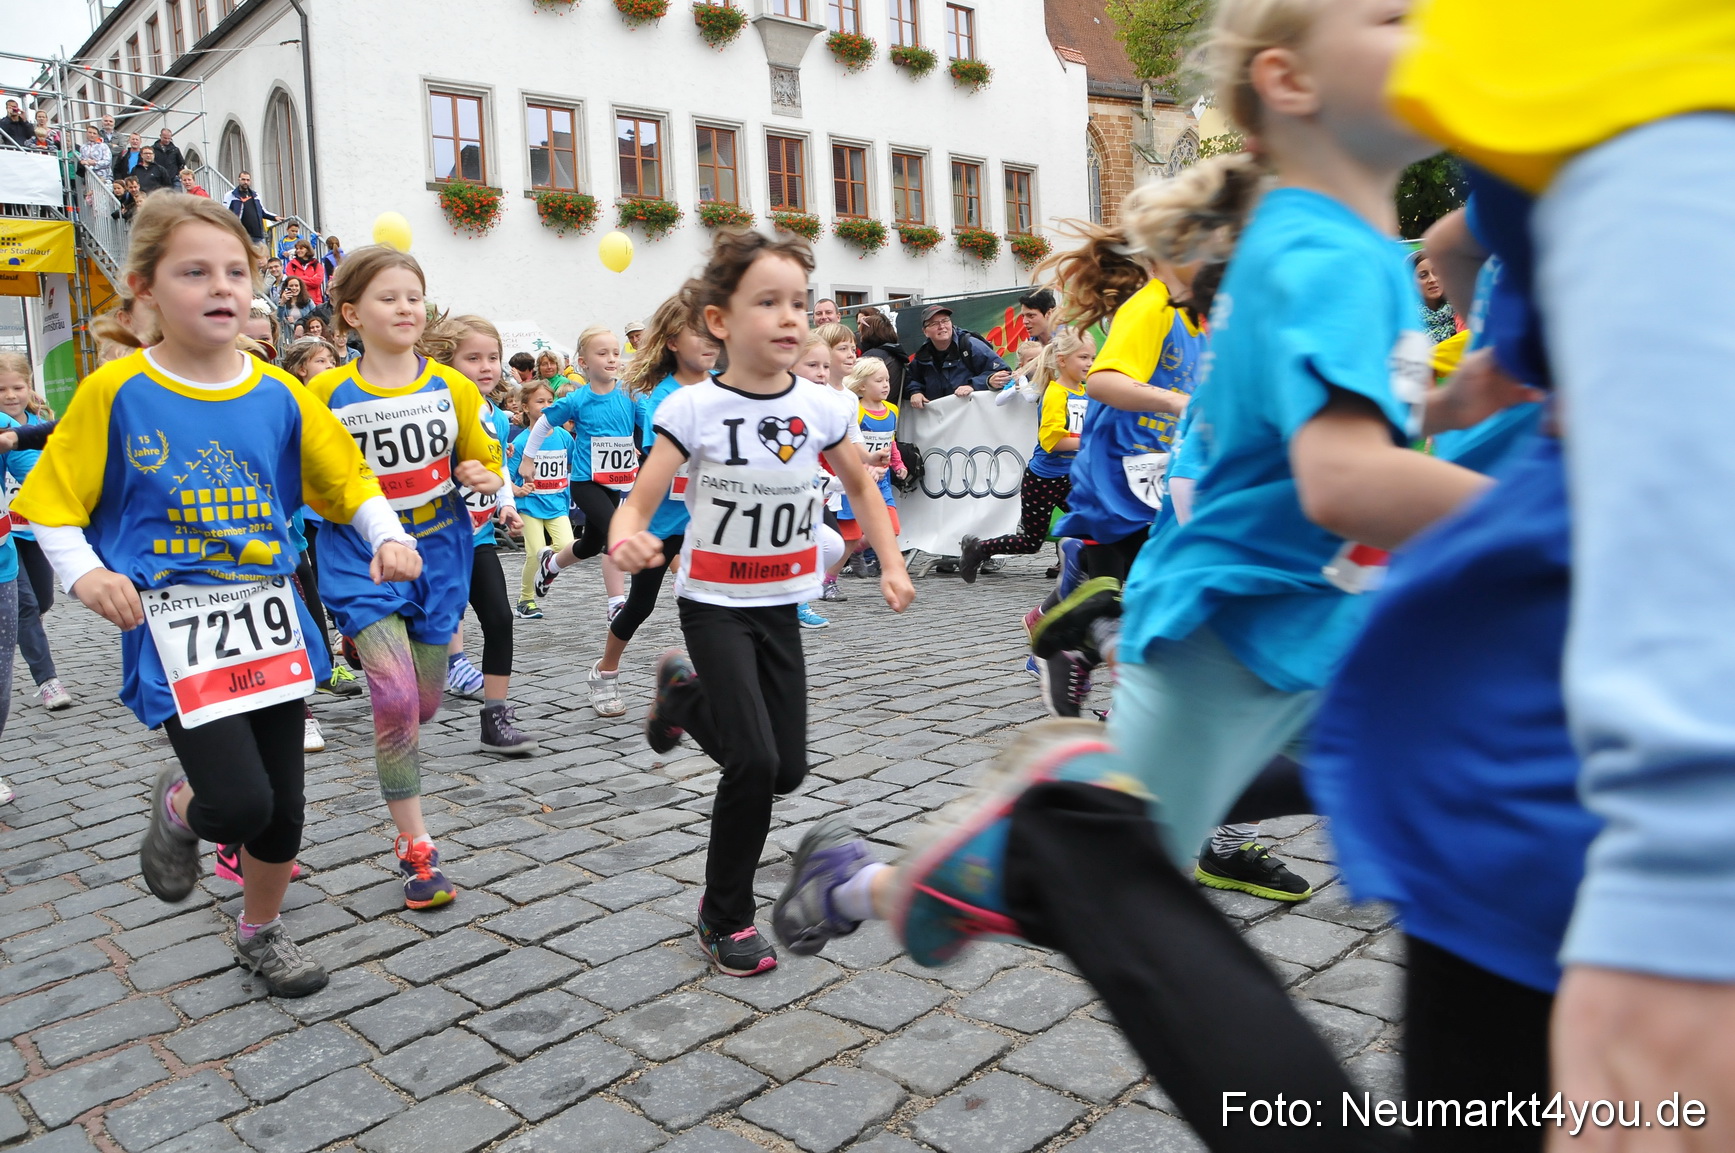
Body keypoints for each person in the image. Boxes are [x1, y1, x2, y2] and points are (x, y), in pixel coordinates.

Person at [772, 0, 1506, 1145]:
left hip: (1309, 625)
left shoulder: (1345, 249)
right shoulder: (1322, 253)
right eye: (1392, 15)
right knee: (1107, 875)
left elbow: (1378, 414)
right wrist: (1553, 522)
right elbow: (1345, 480)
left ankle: (1065, 793)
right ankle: (867, 882)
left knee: (1397, 767)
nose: (1434, 29)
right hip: (1233, 632)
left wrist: (1472, 399)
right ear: (1292, 80)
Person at [15, 194, 421, 997]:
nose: (220, 286)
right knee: (235, 802)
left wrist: (386, 534)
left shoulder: (277, 393)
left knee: (283, 812)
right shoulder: (116, 392)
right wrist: (84, 571)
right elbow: (51, 497)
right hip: (173, 627)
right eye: (194, 271)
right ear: (145, 289)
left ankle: (261, 932)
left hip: (268, 619)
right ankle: (183, 804)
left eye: (236, 271)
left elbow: (343, 475)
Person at [610, 228, 914, 977]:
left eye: (800, 304)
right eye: (768, 302)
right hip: (712, 602)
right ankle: (725, 918)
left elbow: (860, 485)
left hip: (779, 603)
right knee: (750, 761)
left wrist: (893, 562)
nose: (790, 318)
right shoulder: (693, 408)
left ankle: (682, 698)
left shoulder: (820, 405)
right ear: (719, 320)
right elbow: (638, 501)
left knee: (785, 769)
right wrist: (626, 538)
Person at [308, 244, 505, 911]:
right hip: (356, 553)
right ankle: (416, 847)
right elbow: (308, 473)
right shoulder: (326, 391)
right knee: (394, 705)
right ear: (352, 313)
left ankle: (370, 644)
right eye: (388, 297)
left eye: (413, 296)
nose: (404, 308)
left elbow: (482, 459)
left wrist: (484, 475)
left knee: (422, 705)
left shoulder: (452, 387)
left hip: (439, 547)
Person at [583, 294, 718, 718]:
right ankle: (605, 672)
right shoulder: (664, 398)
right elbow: (663, 454)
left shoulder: (725, 387)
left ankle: (718, 680)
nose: (712, 339)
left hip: (708, 523)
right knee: (640, 605)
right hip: (661, 523)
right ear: (674, 342)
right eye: (699, 331)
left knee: (711, 602)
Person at [425, 313, 537, 755]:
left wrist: (506, 504)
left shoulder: (496, 415)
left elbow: (498, 468)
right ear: (446, 362)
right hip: (431, 539)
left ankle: (495, 717)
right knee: (427, 622)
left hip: (477, 537)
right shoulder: (434, 408)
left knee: (500, 619)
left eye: (493, 357)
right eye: (473, 358)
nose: (486, 366)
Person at [523, 326, 635, 630]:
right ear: (583, 363)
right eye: (603, 353)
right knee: (616, 532)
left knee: (589, 544)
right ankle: (616, 604)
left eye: (615, 352)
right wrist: (527, 459)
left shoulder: (630, 393)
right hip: (586, 481)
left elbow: (646, 427)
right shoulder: (578, 399)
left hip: (617, 480)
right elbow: (544, 423)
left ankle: (552, 564)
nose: (612, 358)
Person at [958, 330, 1092, 582]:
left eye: (1091, 357)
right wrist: (1091, 442)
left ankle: (1083, 573)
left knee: (1093, 523)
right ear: (1062, 360)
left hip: (1071, 476)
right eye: (1083, 357)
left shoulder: (1084, 391)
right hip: (1044, 478)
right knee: (1031, 542)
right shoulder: (1055, 393)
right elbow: (1052, 441)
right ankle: (977, 549)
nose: (1089, 363)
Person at [0, 354, 73, 712]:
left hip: (35, 532)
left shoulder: (41, 424)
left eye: (18, 387)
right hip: (7, 536)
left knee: (42, 601)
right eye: (2, 389)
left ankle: (19, 623)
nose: (11, 395)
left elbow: (34, 464)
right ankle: (48, 681)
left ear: (29, 388)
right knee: (27, 606)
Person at [506, 378, 573, 620]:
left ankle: (546, 571)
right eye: (539, 401)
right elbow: (506, 477)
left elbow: (576, 462)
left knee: (567, 547)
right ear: (525, 407)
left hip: (557, 505)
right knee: (535, 552)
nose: (546, 405)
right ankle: (525, 601)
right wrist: (516, 490)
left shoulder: (564, 437)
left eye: (550, 401)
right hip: (530, 506)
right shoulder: (523, 441)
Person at [903, 305, 1009, 408]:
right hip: (940, 421)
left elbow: (1004, 373)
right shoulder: (922, 356)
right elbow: (912, 380)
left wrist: (974, 385)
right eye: (934, 324)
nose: (941, 326)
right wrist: (915, 392)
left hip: (975, 418)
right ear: (925, 332)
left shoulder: (971, 345)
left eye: (945, 321)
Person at [855, 308, 908, 406]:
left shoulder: (872, 357)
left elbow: (852, 386)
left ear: (869, 333)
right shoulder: (896, 354)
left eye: (862, 331)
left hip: (870, 413)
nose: (859, 335)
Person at [1413, 253, 1458, 342]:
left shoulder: (1461, 311)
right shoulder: (1406, 322)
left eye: (1437, 272)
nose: (1432, 279)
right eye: (1423, 275)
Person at [225, 172, 277, 245]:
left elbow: (263, 212)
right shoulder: (230, 195)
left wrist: (275, 217)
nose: (245, 182)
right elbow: (225, 213)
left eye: (247, 180)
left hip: (257, 235)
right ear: (238, 180)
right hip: (241, 236)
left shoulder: (255, 195)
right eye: (243, 179)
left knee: (261, 255)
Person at [285, 237, 327, 306]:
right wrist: (310, 279)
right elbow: (292, 281)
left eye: (301, 248)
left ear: (307, 250)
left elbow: (317, 281)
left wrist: (299, 279)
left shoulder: (316, 264)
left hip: (315, 301)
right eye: (297, 249)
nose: (298, 251)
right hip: (297, 302)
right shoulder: (291, 265)